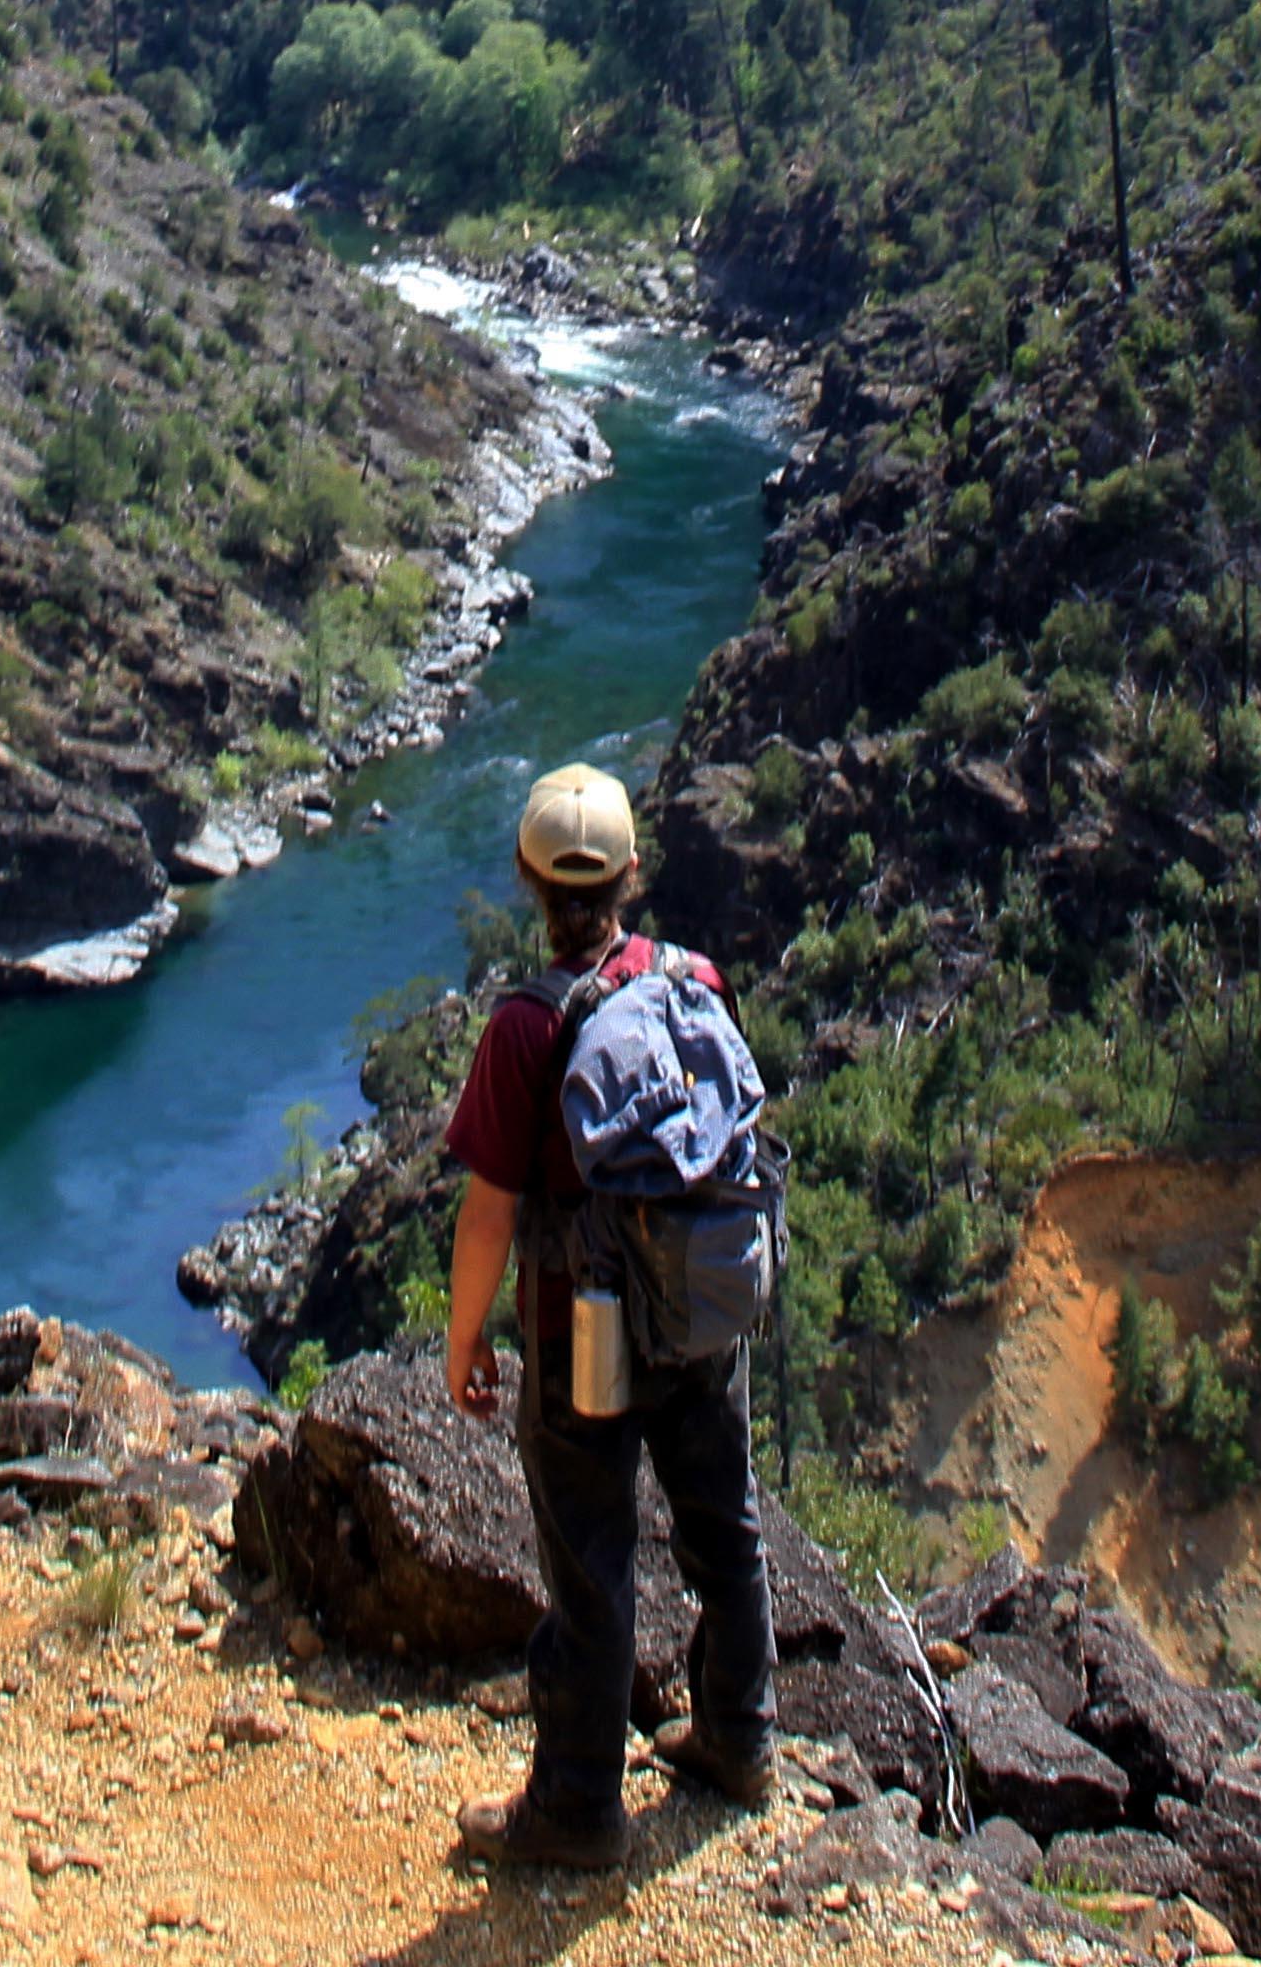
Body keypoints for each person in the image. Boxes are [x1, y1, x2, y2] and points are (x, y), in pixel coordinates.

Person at [442, 762, 774, 1873]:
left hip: (577, 1329)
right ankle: (739, 1736)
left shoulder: (527, 1028)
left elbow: (489, 1211)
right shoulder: (697, 977)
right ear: (633, 873)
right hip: (699, 1309)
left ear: (531, 883)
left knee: (592, 1558)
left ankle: (579, 1808)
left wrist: (464, 1340)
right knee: (721, 1519)